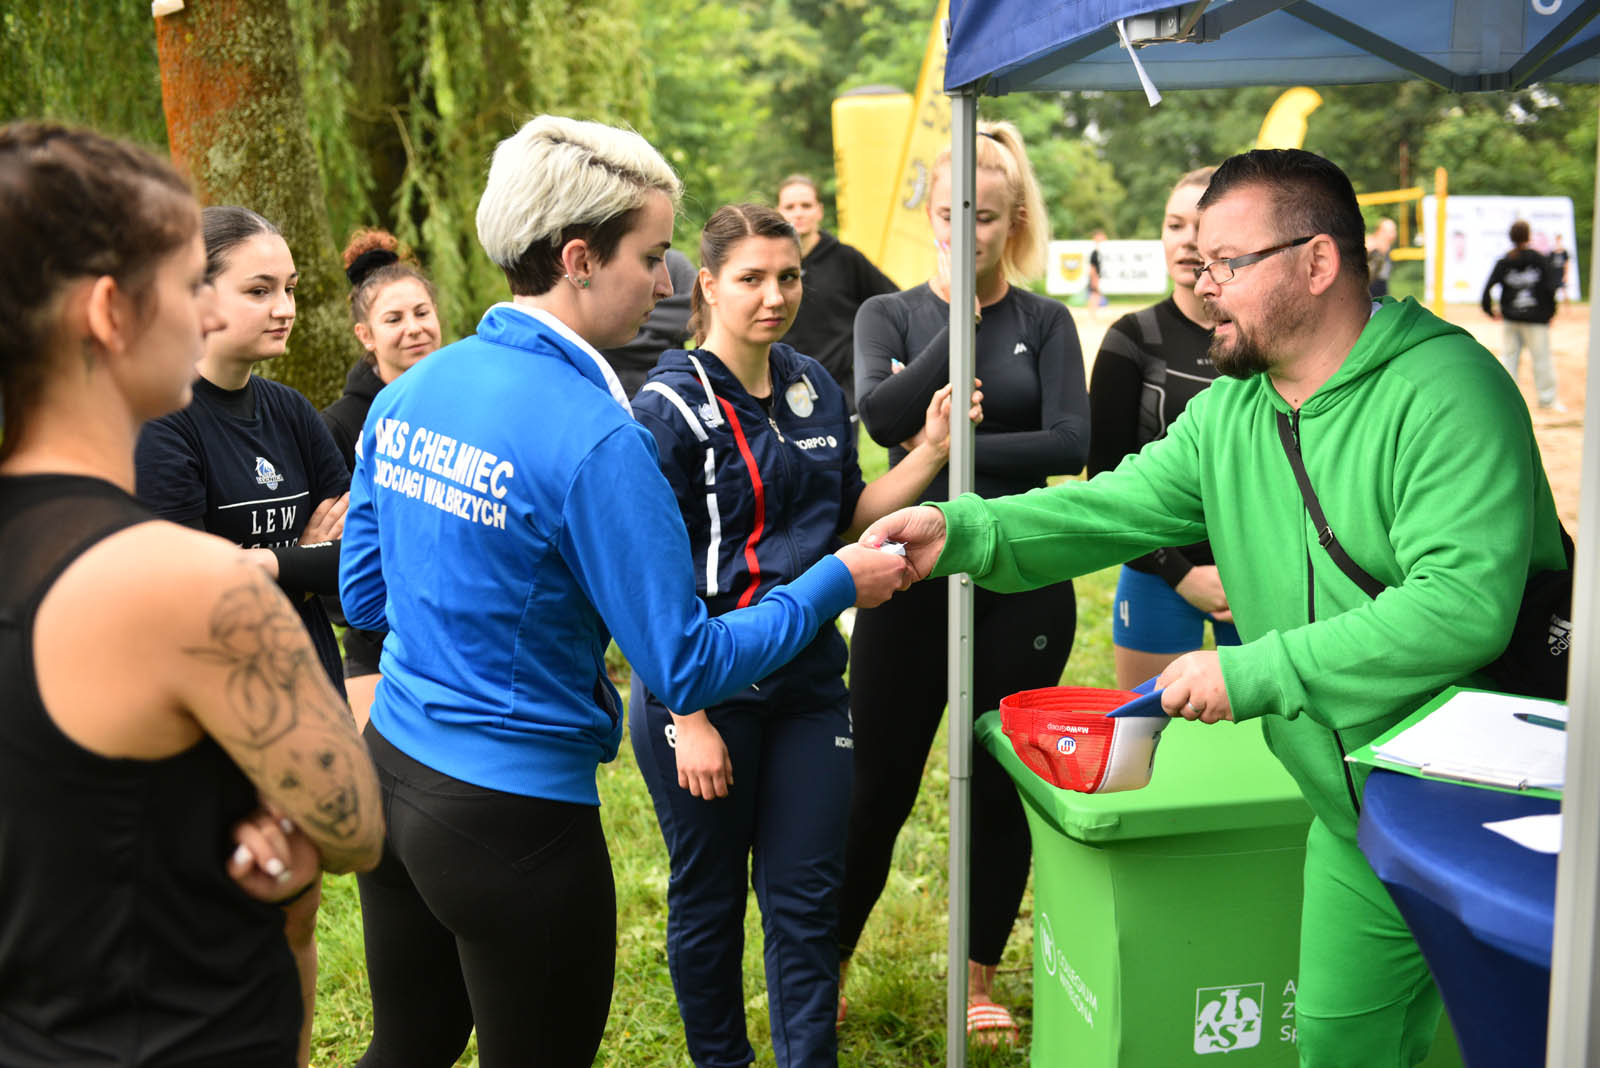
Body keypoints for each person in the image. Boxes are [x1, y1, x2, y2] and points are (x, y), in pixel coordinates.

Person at [862, 148, 1566, 1068]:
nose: (1202, 280)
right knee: (1336, 1045)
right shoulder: (1232, 413)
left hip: (1494, 822)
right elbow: (1105, 508)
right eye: (1196, 258)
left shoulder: (1449, 391)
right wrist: (953, 533)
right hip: (1357, 821)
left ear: (1316, 263)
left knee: (1524, 1046)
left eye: (1227, 262)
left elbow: (1460, 608)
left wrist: (1253, 669)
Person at [337, 115, 910, 1068]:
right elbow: (684, 658)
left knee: (408, 1049)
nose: (665, 281)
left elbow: (365, 593)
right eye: (651, 256)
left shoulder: (413, 389)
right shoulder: (600, 437)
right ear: (578, 259)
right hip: (511, 815)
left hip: (393, 773)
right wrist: (833, 582)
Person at [0, 121, 382, 1068]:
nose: (206, 318)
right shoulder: (190, 584)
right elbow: (356, 825)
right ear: (109, 313)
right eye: (185, 288)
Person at [629, 203, 980, 1068]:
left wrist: (929, 454)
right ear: (706, 285)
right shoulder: (665, 408)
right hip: (705, 689)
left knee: (804, 901)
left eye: (788, 277)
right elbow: (641, 580)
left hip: (811, 684)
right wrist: (690, 715)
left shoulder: (813, 386)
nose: (774, 296)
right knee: (709, 899)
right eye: (750, 278)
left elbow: (843, 521)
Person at [842, 119, 1089, 1045]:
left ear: (1013, 220)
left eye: (984, 218)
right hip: (907, 578)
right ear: (930, 213)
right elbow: (877, 416)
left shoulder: (1047, 321)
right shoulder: (890, 315)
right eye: (950, 214)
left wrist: (951, 444)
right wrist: (946, 363)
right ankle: (825, 959)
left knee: (999, 780)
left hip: (1022, 578)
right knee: (877, 784)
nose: (965, 232)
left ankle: (979, 972)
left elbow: (1072, 444)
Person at [134, 204, 354, 1068]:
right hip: (216, 714)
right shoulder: (167, 424)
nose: (285, 306)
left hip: (306, 693)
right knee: (219, 922)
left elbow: (359, 562)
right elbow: (188, 589)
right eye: (259, 288)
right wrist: (295, 553)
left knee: (299, 910)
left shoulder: (293, 413)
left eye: (291, 287)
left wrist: (265, 564)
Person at [1089, 166, 1240, 690]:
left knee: (1267, 754)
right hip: (1155, 573)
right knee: (1148, 746)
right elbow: (1105, 481)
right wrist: (1180, 573)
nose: (1186, 241)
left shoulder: (1264, 340)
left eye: (1199, 226)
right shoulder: (1131, 339)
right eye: (1173, 225)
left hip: (1257, 572)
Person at [321, 228, 444, 729]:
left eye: (422, 313)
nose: (414, 328)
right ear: (366, 336)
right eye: (394, 319)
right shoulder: (339, 426)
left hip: (462, 640)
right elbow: (335, 553)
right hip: (379, 648)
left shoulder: (464, 402)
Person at [775, 174, 898, 413]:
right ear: (778, 211)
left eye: (806, 205)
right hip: (781, 384)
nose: (798, 213)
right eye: (790, 207)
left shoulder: (846, 258)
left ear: (819, 211)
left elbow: (891, 303)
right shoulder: (770, 263)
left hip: (836, 386)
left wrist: (870, 356)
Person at [1482, 219, 1562, 412]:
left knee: (1509, 359)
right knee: (1541, 360)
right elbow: (1551, 288)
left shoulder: (1505, 261)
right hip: (1536, 320)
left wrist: (1489, 309)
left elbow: (1487, 288)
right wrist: (1550, 312)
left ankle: (1505, 401)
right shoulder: (1539, 259)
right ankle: (1547, 401)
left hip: (1511, 318)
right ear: (1528, 236)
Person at [601, 247, 696, 397]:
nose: (667, 290)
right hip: (610, 388)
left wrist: (624, 314)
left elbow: (694, 316)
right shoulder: (611, 264)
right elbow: (600, 324)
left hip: (670, 392)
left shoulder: (677, 264)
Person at [1365, 216, 1396, 299]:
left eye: (1394, 231)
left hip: (1381, 285)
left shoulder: (1387, 246)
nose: (1394, 234)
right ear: (1380, 231)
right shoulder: (1370, 244)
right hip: (1368, 286)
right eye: (1391, 231)